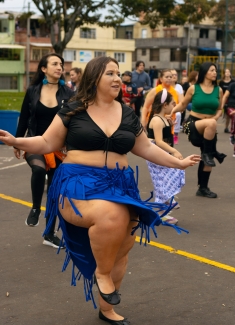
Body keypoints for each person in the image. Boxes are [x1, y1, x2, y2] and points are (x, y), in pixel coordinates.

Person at [0, 56, 200, 324]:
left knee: (123, 243)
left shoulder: (127, 113)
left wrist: (179, 162)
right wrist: (16, 140)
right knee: (112, 216)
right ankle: (101, 274)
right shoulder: (73, 109)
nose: (118, 78)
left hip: (119, 184)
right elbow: (47, 141)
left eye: (118, 73)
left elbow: (147, 148)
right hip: (78, 183)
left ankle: (107, 309)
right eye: (111, 73)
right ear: (95, 78)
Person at [14, 53, 74, 247]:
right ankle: (34, 208)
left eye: (61, 64)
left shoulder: (68, 93)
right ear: (44, 69)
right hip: (35, 142)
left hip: (58, 148)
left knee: (55, 191)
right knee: (39, 169)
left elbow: (74, 121)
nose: (60, 67)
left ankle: (49, 234)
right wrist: (17, 141)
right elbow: (24, 117)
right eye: (55, 64)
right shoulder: (33, 91)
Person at [170, 62, 226, 198]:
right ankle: (211, 152)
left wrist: (216, 118)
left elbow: (220, 109)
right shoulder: (193, 88)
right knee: (209, 151)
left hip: (210, 128)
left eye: (215, 71)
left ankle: (203, 188)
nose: (215, 73)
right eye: (212, 70)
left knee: (208, 158)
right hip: (193, 125)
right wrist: (170, 112)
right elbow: (183, 105)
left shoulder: (218, 90)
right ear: (205, 72)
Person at [147, 89, 185, 225]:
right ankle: (163, 212)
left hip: (162, 152)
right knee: (162, 180)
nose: (174, 106)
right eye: (172, 104)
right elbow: (159, 141)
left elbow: (166, 137)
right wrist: (174, 151)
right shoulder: (157, 120)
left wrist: (170, 125)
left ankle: (168, 201)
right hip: (156, 153)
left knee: (174, 172)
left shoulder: (164, 118)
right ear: (165, 105)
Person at [140, 69, 179, 133]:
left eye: (170, 77)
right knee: (156, 141)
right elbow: (146, 106)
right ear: (161, 79)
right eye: (166, 77)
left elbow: (181, 106)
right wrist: (143, 120)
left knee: (168, 141)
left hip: (169, 122)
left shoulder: (175, 92)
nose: (169, 78)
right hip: (155, 121)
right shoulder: (155, 90)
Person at [219, 68, 235, 133]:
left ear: (230, 73)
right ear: (224, 74)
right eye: (226, 72)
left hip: (230, 99)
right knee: (223, 114)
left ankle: (227, 128)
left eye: (229, 72)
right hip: (223, 99)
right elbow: (219, 91)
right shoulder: (221, 82)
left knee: (229, 115)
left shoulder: (233, 82)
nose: (227, 73)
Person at [171, 70, 184, 144]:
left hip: (176, 107)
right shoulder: (166, 87)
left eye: (176, 74)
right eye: (172, 75)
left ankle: (175, 134)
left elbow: (182, 101)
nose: (174, 76)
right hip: (167, 108)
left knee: (178, 114)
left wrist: (179, 108)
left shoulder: (179, 87)